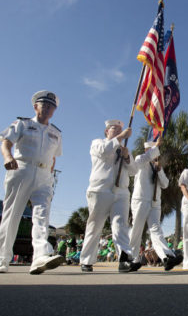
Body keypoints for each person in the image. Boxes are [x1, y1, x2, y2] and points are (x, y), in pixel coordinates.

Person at [0, 90, 64, 274]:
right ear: (35, 106)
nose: (47, 108)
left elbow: (54, 157)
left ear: (54, 110)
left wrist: (50, 174)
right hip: (21, 168)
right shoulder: (23, 124)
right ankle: (2, 259)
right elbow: (5, 141)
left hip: (44, 174)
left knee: (42, 215)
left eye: (51, 106)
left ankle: (39, 257)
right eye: (44, 105)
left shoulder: (56, 133)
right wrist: (7, 157)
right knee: (12, 214)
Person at [79, 120, 138, 273]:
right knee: (95, 225)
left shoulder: (124, 148)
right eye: (114, 129)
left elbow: (133, 171)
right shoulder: (97, 143)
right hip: (100, 190)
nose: (118, 131)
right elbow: (104, 151)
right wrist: (120, 138)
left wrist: (127, 157)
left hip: (122, 191)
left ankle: (124, 259)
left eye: (120, 129)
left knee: (120, 225)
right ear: (106, 131)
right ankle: (87, 260)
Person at [129, 138, 183, 272]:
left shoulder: (157, 166)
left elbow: (165, 184)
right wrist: (156, 147)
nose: (156, 154)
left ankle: (166, 257)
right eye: (153, 150)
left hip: (155, 202)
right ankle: (130, 259)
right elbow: (143, 159)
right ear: (148, 150)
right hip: (141, 200)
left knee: (156, 230)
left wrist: (159, 170)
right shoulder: (140, 160)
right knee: (137, 229)